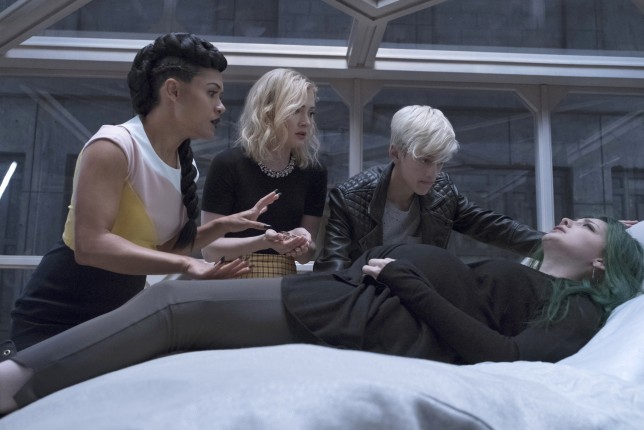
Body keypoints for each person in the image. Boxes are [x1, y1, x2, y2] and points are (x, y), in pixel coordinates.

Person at [1, 216, 643, 414]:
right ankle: (29, 383)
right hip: (359, 295)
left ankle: (15, 381)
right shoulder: (534, 279)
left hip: (375, 315)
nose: (569, 217)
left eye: (588, 224)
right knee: (181, 320)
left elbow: (503, 357)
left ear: (601, 262)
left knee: (175, 307)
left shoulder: (580, 311)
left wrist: (407, 281)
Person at [6, 33, 280, 352]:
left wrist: (222, 226)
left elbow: (161, 250)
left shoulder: (185, 166)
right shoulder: (113, 146)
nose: (220, 107)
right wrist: (187, 266)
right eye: (211, 93)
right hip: (55, 319)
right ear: (173, 90)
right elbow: (91, 245)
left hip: (116, 319)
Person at [314, 105, 543, 272]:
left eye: (440, 163)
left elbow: (491, 226)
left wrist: (549, 244)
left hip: (420, 299)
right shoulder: (350, 198)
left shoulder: (443, 193)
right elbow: (333, 270)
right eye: (425, 160)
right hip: (365, 300)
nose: (433, 173)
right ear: (395, 153)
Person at [200, 68, 327, 278]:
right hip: (231, 280)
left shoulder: (313, 172)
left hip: (284, 285)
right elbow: (209, 250)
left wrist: (301, 241)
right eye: (297, 110)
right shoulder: (227, 164)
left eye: (310, 112)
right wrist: (263, 242)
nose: (306, 121)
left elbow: (307, 256)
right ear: (268, 112)